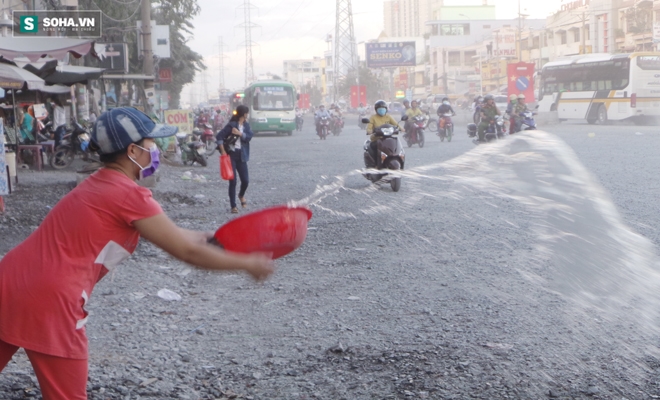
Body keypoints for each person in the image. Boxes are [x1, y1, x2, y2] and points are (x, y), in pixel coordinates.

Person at [0, 107, 274, 399]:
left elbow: (175, 235)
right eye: (151, 143)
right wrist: (247, 264)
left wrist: (213, 238)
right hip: (50, 300)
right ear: (133, 150)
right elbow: (186, 252)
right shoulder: (128, 194)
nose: (156, 149)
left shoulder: (104, 183)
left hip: (9, 282)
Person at [216, 105, 253, 214]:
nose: (247, 115)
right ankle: (233, 206)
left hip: (242, 155)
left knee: (245, 181)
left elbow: (250, 137)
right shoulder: (232, 125)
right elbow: (219, 136)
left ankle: (241, 195)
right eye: (247, 113)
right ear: (244, 114)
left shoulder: (246, 125)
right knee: (233, 181)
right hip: (231, 155)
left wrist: (240, 134)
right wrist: (223, 151)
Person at [366, 100, 401, 164]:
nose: (382, 110)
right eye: (380, 109)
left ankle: (399, 159)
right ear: (376, 110)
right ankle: (376, 163)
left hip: (388, 138)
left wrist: (401, 128)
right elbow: (369, 127)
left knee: (396, 145)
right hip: (377, 138)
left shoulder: (388, 117)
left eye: (383, 109)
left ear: (386, 109)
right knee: (373, 146)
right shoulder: (373, 117)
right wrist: (369, 131)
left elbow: (396, 124)